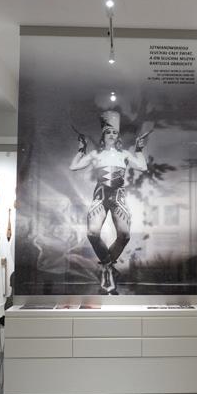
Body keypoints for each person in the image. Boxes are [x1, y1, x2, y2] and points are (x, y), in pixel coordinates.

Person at [69, 110, 148, 294]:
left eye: (114, 132)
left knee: (125, 235)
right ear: (103, 135)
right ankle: (108, 268)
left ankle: (106, 267)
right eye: (108, 132)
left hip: (118, 196)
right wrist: (81, 149)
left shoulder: (124, 154)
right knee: (92, 233)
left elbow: (142, 167)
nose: (112, 134)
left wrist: (138, 149)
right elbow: (74, 166)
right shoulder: (95, 154)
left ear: (118, 136)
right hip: (101, 196)